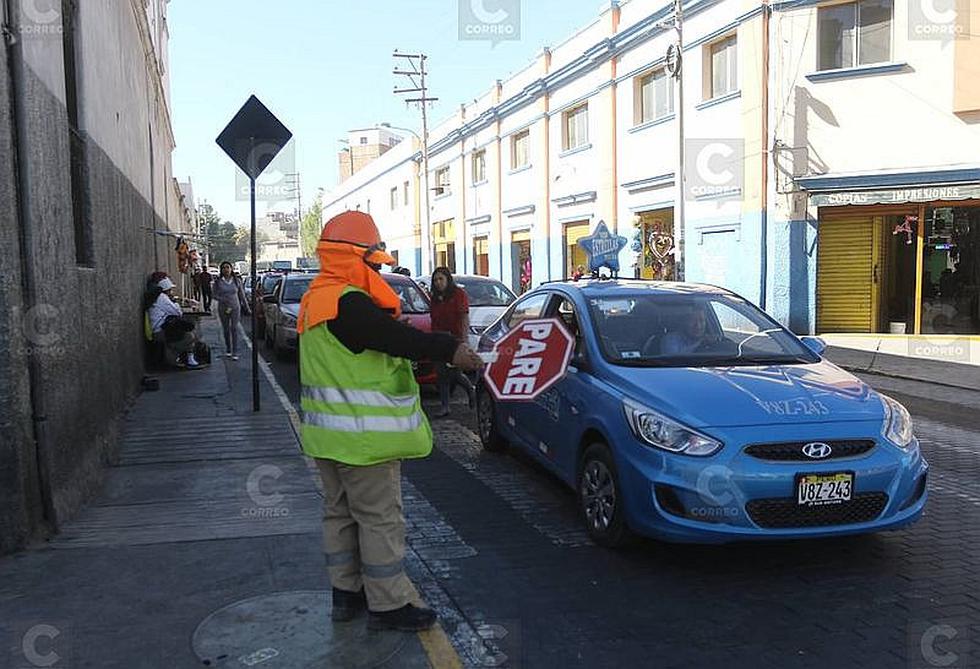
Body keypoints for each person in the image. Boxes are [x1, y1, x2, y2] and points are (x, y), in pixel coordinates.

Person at [297, 211, 483, 632]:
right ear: (354, 257)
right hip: (363, 441)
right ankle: (388, 605)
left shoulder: (316, 297)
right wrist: (450, 348)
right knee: (379, 519)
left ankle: (346, 595)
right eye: (374, 260)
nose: (378, 267)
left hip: (327, 438)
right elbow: (397, 340)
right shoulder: (349, 301)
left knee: (339, 516)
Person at [429, 267, 476, 417]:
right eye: (435, 280)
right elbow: (433, 318)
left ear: (448, 279)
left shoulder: (458, 294)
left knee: (455, 373)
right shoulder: (434, 297)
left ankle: (470, 390)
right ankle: (445, 406)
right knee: (440, 373)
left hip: (455, 338)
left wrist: (463, 339)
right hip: (439, 338)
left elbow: (463, 317)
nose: (438, 283)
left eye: (441, 279)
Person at [146, 276, 202, 369]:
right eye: (170, 290)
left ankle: (188, 358)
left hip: (161, 329)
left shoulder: (158, 297)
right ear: (167, 290)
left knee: (188, 331)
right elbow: (177, 312)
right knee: (190, 336)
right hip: (160, 332)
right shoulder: (162, 298)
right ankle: (178, 357)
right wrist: (175, 303)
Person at [213, 261, 249, 360]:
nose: (226, 269)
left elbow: (242, 295)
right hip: (223, 307)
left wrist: (247, 308)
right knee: (226, 329)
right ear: (221, 270)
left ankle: (235, 351)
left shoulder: (237, 281)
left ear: (231, 269)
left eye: (228, 267)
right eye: (224, 268)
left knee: (234, 328)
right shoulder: (218, 281)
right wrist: (222, 299)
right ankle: (228, 348)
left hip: (235, 307)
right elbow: (214, 295)